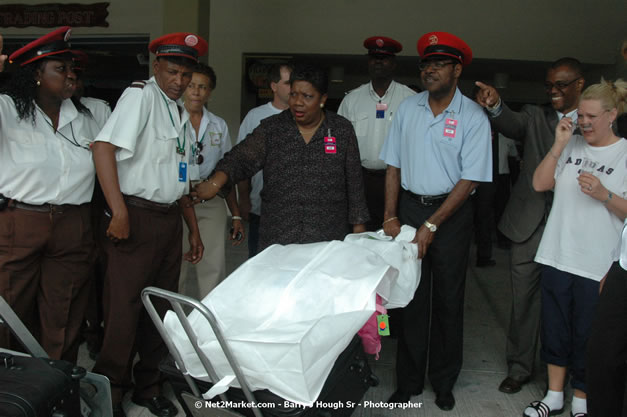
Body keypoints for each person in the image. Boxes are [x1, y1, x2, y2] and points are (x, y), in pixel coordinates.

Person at [91, 32, 207, 417]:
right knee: (123, 311)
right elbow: (103, 148)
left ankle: (148, 385)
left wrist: (192, 228)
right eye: (172, 71)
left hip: (168, 218)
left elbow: (181, 176)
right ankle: (111, 391)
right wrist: (119, 211)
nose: (179, 81)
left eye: (185, 75)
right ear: (155, 65)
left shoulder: (180, 112)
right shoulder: (140, 96)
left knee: (159, 311)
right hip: (135, 217)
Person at [380, 32, 492, 411]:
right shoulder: (408, 109)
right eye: (426, 64)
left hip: (452, 214)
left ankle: (444, 381)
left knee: (447, 299)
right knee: (410, 298)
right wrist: (390, 214)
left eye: (439, 64)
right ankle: (408, 383)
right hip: (411, 209)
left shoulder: (473, 118)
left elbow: (470, 178)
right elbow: (393, 165)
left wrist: (433, 225)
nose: (429, 70)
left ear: (457, 70)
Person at [475, 57, 585, 395]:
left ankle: (568, 373)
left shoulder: (596, 120)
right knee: (524, 299)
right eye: (549, 85)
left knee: (572, 301)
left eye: (561, 85)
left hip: (577, 223)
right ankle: (520, 368)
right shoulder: (537, 117)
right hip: (530, 222)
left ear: (580, 84)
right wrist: (495, 106)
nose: (553, 91)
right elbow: (511, 123)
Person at [525, 79, 627, 417]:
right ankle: (554, 396)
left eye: (592, 116)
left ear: (612, 115)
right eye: (580, 115)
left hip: (598, 262)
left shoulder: (624, 153)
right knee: (555, 328)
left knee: (588, 334)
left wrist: (605, 195)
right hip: (558, 254)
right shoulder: (572, 145)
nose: (584, 122)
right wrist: (559, 144)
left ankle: (581, 400)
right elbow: (540, 183)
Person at [0, 27, 99, 362]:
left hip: (73, 225)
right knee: (10, 305)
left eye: (74, 70)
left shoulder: (89, 116)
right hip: (19, 222)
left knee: (65, 309)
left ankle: (57, 386)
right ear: (37, 75)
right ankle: (12, 384)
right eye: (61, 69)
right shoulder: (7, 109)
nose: (71, 76)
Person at [192, 63, 369, 250]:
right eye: (293, 94)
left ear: (322, 99)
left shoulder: (341, 129)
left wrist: (358, 229)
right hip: (279, 235)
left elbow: (354, 182)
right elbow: (240, 158)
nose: (298, 102)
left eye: (307, 96)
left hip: (327, 235)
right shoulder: (272, 128)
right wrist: (215, 183)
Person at [179, 63, 244, 298]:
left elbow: (226, 170)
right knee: (178, 264)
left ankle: (207, 323)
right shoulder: (171, 119)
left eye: (203, 87)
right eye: (192, 85)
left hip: (210, 198)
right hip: (176, 197)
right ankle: (172, 321)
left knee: (213, 266)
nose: (196, 91)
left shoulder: (218, 124)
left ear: (210, 92)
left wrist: (235, 212)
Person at [338, 36, 416, 230]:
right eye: (374, 58)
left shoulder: (411, 100)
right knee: (360, 238)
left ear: (394, 63)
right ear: (368, 62)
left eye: (384, 58)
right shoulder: (351, 100)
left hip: (399, 182)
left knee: (395, 238)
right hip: (360, 181)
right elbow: (339, 144)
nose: (378, 62)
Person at [237, 63, 292, 257]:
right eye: (287, 83)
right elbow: (242, 162)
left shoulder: (304, 116)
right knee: (258, 262)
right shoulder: (255, 117)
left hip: (294, 212)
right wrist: (243, 200)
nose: (293, 87)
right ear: (274, 86)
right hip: (260, 209)